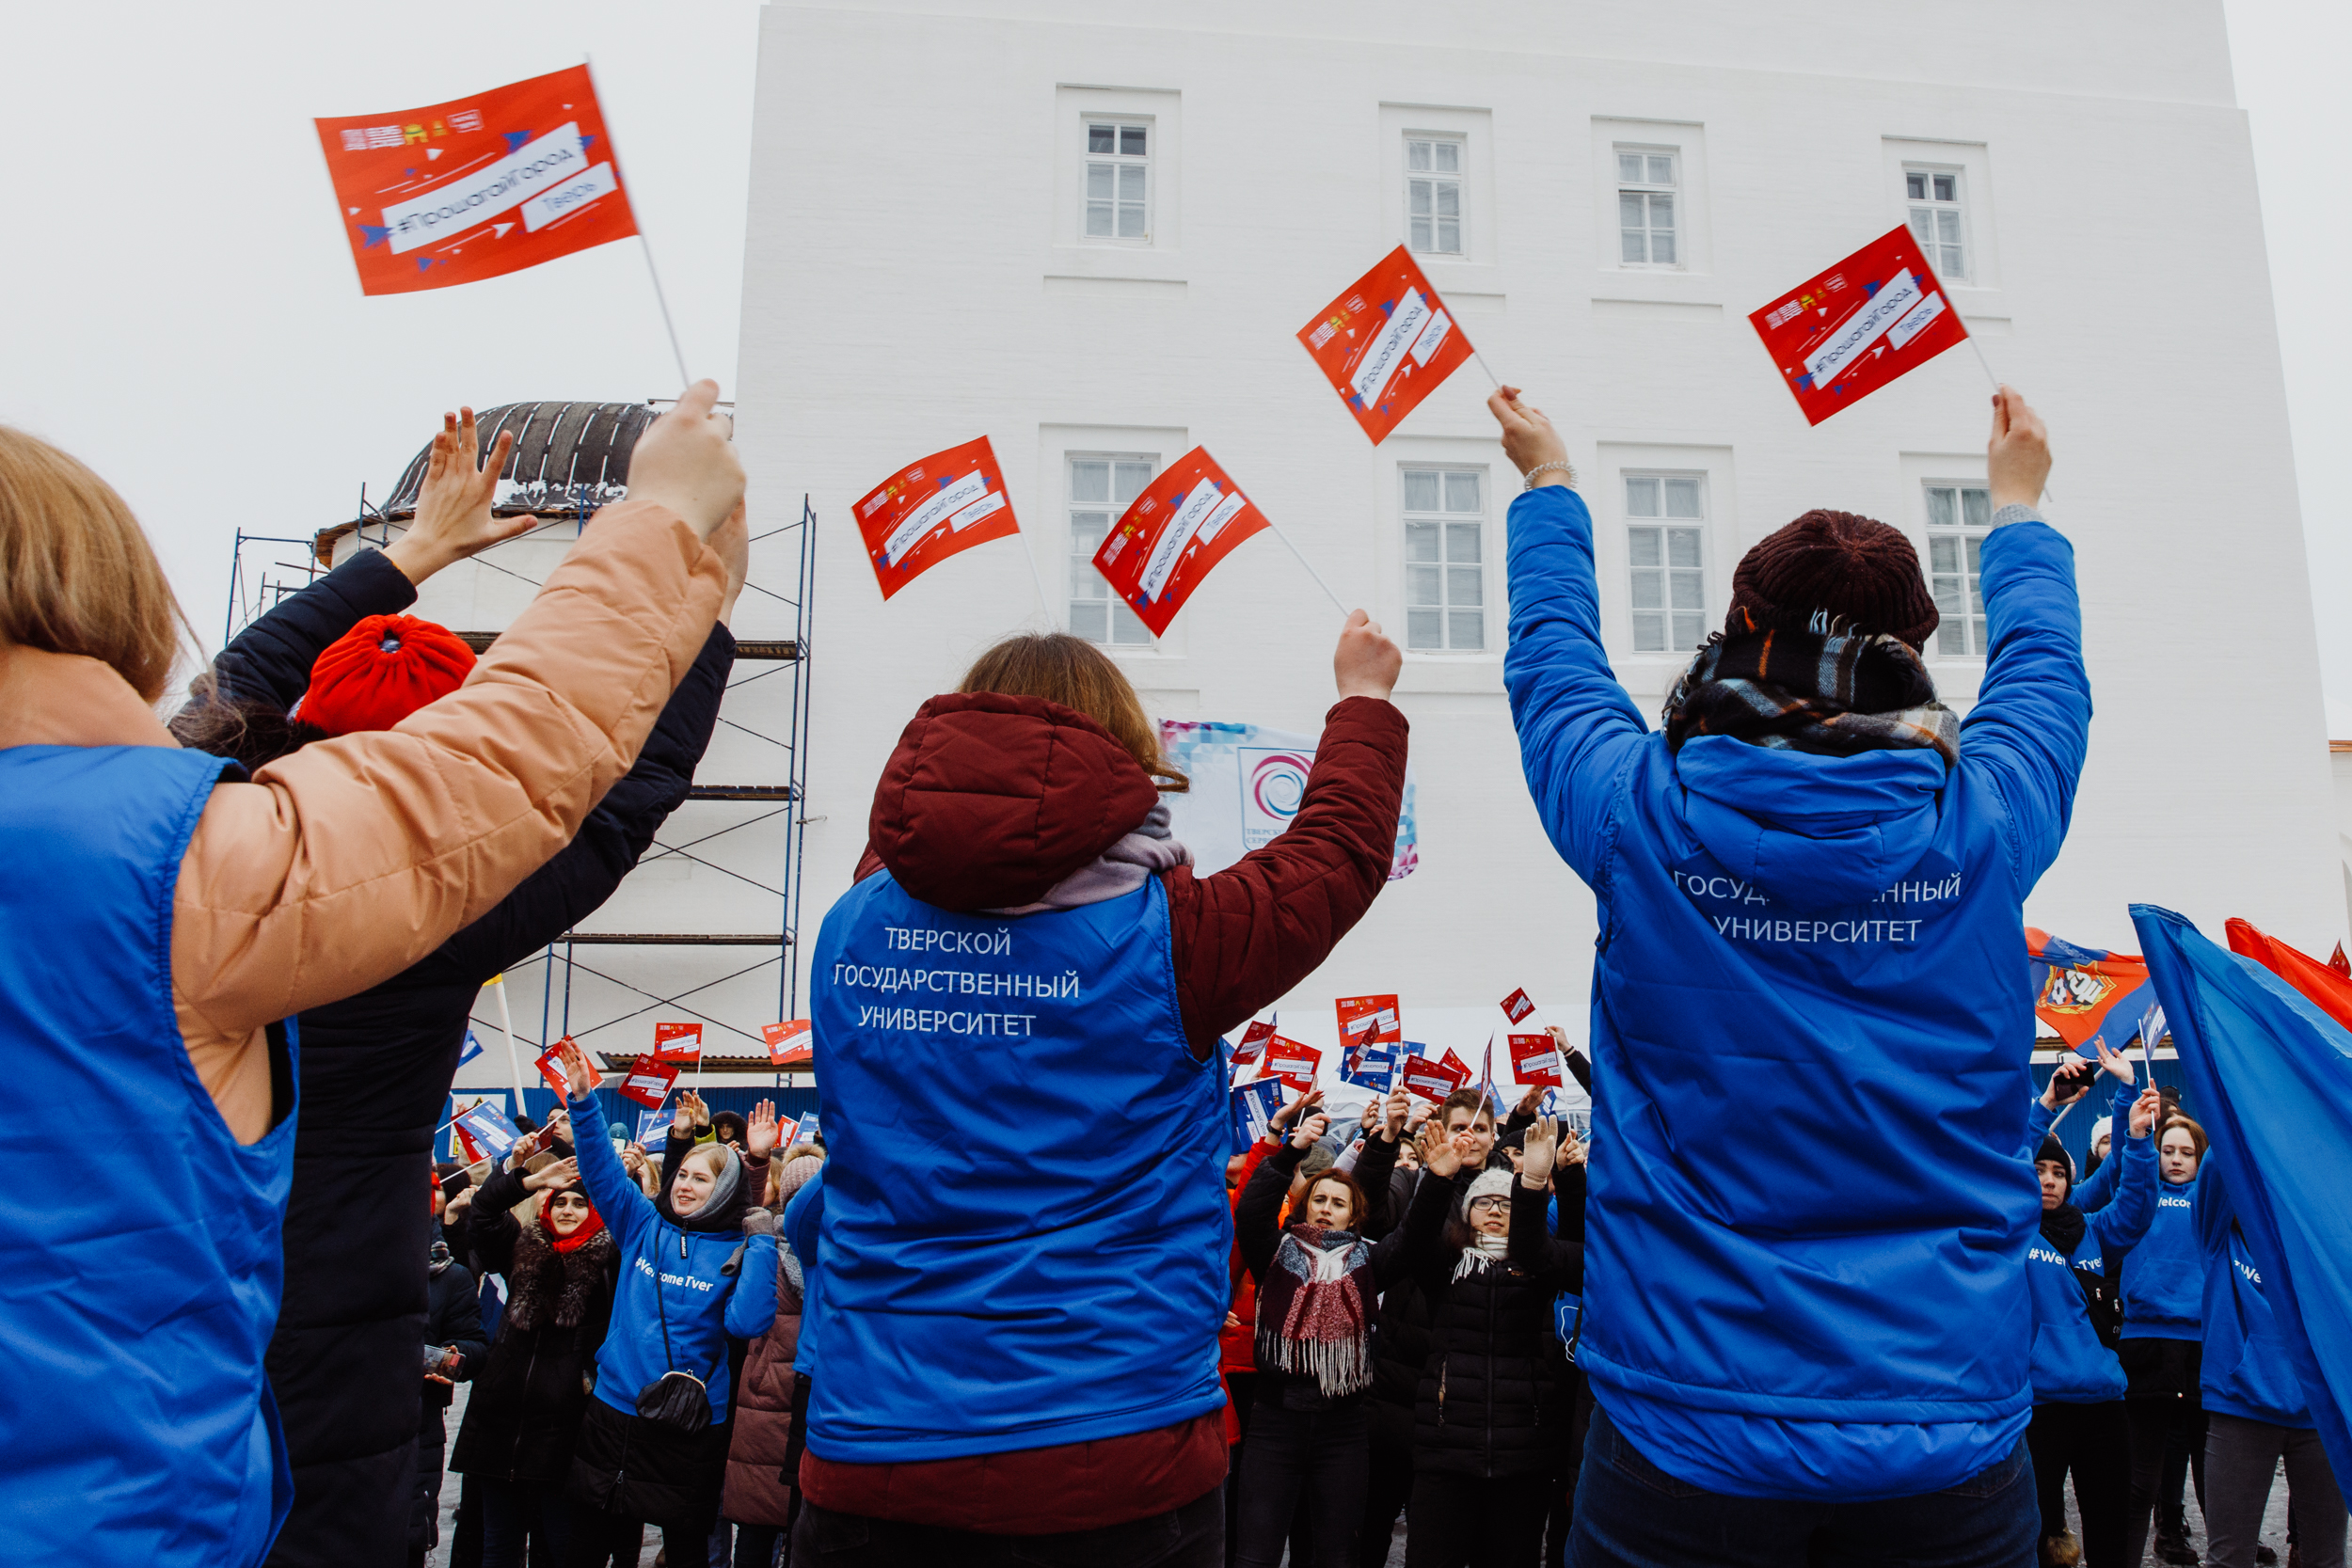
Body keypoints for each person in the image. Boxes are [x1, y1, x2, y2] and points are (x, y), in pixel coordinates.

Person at [0, 384, 742, 1564]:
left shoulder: (185, 808)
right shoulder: (208, 864)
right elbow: (551, 775)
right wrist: (687, 586)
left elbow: (229, 691)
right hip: (271, 1375)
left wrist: (408, 557)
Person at [1492, 382, 2078, 1567]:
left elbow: (1554, 672)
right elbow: (2044, 678)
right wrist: (2016, 509)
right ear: (1912, 653)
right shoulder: (1988, 820)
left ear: (1737, 627)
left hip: (1682, 1422)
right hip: (1942, 1421)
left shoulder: (1637, 814)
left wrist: (1548, 489)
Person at [794, 617, 1407, 1564]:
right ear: (1120, 759)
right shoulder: (1179, 938)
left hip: (878, 1440)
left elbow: (921, 860)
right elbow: (1335, 853)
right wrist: (1362, 702)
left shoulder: (850, 930)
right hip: (1117, 1442)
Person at [555, 1038, 779, 1563]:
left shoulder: (739, 1248)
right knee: (590, 1545)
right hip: (615, 1411)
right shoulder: (642, 1226)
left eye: (700, 1179)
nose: (684, 1185)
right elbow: (602, 1175)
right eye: (682, 1175)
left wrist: (763, 1240)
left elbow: (747, 1323)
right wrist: (585, 1102)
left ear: (723, 1190)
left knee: (683, 1553)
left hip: (692, 1422)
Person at [1396, 1114, 1583, 1567]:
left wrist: (1544, 1184)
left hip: (1522, 1454)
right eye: (1485, 1203)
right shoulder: (1445, 1265)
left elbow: (1571, 1250)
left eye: (1506, 1203)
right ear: (1467, 1212)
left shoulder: (1538, 1266)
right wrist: (1438, 1182)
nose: (1496, 1210)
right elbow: (1413, 1239)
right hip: (1446, 1450)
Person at [1231, 1101, 1412, 1568]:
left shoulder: (1367, 1265)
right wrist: (1291, 1150)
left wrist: (1401, 1149)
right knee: (1255, 1552)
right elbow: (1251, 1210)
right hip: (1275, 1421)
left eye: (1338, 1203)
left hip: (1344, 1428)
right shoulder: (1275, 1253)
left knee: (1335, 1553)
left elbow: (1415, 1234)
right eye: (1319, 1199)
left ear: (1354, 1217)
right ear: (1304, 1206)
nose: (1327, 1209)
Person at [444, 1153, 620, 1568]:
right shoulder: (521, 1247)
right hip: (499, 1426)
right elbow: (484, 1211)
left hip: (565, 1433)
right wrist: (528, 1179)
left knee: (560, 1548)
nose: (568, 1210)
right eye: (560, 1202)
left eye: (579, 1203)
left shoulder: (610, 1260)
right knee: (498, 1547)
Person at [2024, 1052, 2164, 1568]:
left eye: (2059, 1172)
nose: (2049, 1179)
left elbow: (2134, 1205)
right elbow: (1997, 1167)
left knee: (2110, 1537)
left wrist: (2140, 1134)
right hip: (2037, 1408)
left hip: (2104, 1402)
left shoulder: (2090, 1231)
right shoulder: (2010, 1233)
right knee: (2035, 1537)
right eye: (2037, 1169)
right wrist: (2045, 1105)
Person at [2194, 1146, 2349, 1568]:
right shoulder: (2219, 1241)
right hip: (2240, 1413)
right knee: (2228, 1558)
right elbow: (2217, 1165)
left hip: (2319, 1418)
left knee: (2326, 1558)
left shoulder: (2321, 1255)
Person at [2119, 1113, 2214, 1568]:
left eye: (2187, 1152)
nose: (2176, 1160)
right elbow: (2128, 1160)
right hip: (2146, 1345)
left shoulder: (2211, 1202)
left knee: (2213, 1476)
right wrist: (2134, 1126)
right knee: (2141, 1481)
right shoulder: (2140, 1195)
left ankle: (2225, 1549)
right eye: (2168, 1150)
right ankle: (2148, 1542)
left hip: (2202, 1349)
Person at [723, 1153, 826, 1568]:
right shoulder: (765, 1244)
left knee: (806, 1531)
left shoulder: (839, 1251)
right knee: (755, 1527)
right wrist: (762, 1246)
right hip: (763, 1406)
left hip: (813, 1399)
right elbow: (746, 1320)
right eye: (796, 1195)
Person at [414, 1185, 489, 1568]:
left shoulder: (450, 1276)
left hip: (417, 1427)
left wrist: (455, 1357)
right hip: (342, 1424)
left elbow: (475, 1345)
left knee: (407, 1536)